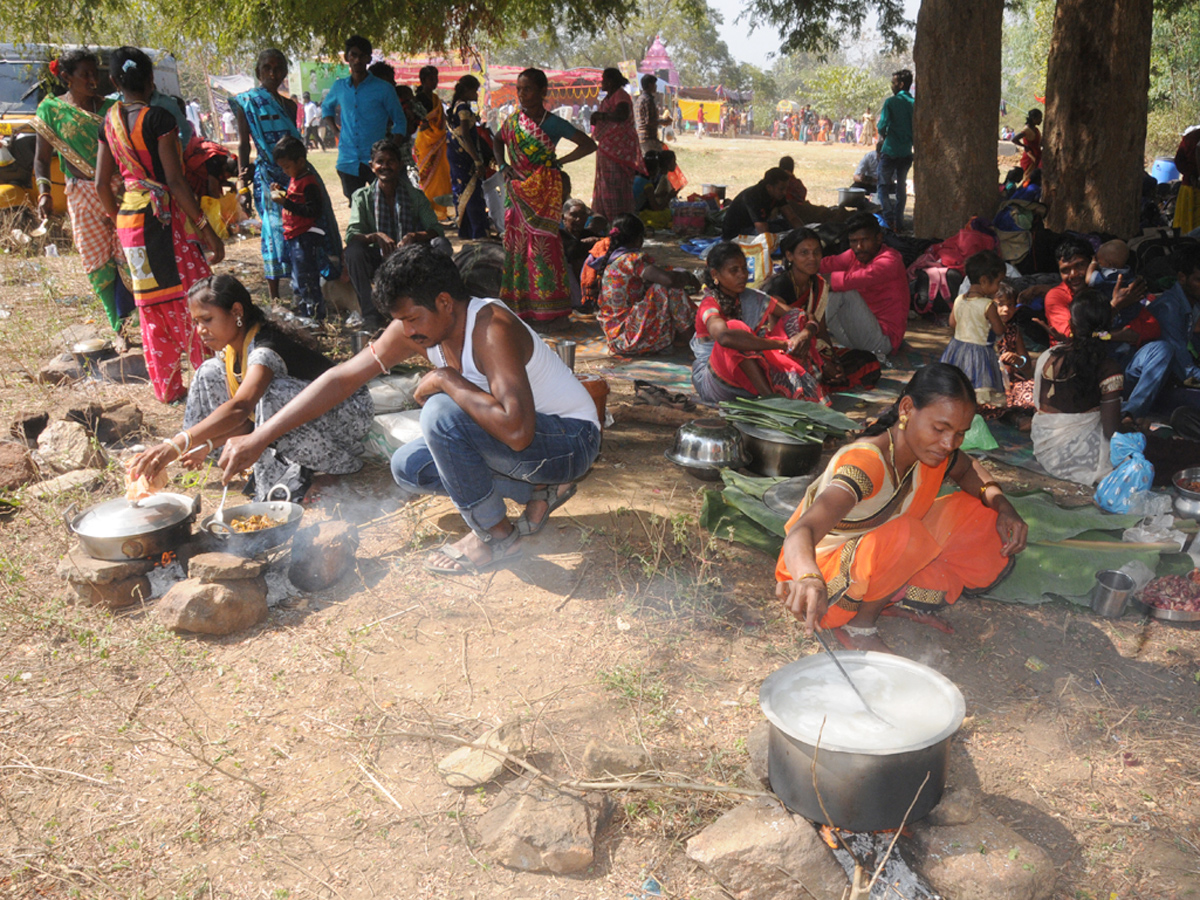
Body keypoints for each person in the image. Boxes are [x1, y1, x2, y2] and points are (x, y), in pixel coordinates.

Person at [218, 244, 602, 575]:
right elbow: (341, 380)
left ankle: (496, 536)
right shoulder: (420, 326)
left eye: (411, 318)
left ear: (445, 302)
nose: (406, 330)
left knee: (440, 412)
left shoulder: (490, 328)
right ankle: (539, 487)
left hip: (571, 439)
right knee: (409, 467)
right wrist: (260, 436)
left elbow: (518, 431)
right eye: (398, 320)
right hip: (529, 448)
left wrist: (447, 380)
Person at [775, 363, 1027, 650]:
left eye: (960, 433)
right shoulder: (866, 465)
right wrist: (809, 579)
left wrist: (1003, 504)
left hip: (871, 557)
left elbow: (969, 469)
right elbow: (801, 530)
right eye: (940, 428)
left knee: (983, 517)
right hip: (818, 587)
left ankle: (879, 599)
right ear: (907, 408)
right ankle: (859, 627)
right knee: (907, 533)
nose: (949, 443)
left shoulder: (931, 453)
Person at [129, 275, 372, 500]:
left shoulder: (264, 350)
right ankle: (238, 455)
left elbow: (242, 408)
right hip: (311, 419)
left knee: (271, 393)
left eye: (207, 319)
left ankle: (336, 465)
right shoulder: (234, 350)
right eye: (196, 322)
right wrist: (206, 444)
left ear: (236, 311)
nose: (200, 330)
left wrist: (175, 444)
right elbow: (252, 419)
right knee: (209, 371)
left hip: (349, 415)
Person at [95, 46, 223, 404]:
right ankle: (208, 379)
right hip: (165, 219)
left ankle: (168, 388)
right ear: (151, 79)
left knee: (150, 302)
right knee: (191, 294)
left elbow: (102, 184)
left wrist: (116, 217)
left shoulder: (110, 122)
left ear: (113, 81)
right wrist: (207, 231)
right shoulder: (160, 120)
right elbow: (176, 182)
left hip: (130, 221)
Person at [31, 48, 132, 337]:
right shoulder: (51, 111)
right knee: (97, 260)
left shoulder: (111, 109)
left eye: (95, 73)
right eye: (85, 74)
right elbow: (41, 159)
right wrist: (44, 193)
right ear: (66, 77)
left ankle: (131, 319)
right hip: (80, 194)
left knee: (126, 254)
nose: (92, 80)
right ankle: (119, 327)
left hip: (117, 190)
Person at [494, 68, 596, 324]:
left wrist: (559, 161)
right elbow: (497, 140)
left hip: (544, 194)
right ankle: (520, 305)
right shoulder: (513, 121)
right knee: (518, 249)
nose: (521, 94)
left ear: (542, 92)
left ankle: (548, 307)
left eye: (526, 89)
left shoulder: (552, 123)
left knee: (544, 248)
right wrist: (503, 166)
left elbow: (588, 144)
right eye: (518, 89)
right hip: (517, 194)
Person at [691, 242, 828, 405]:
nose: (742, 275)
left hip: (750, 378)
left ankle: (791, 388)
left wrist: (806, 332)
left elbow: (803, 315)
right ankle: (772, 400)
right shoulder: (709, 304)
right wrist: (783, 344)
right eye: (734, 270)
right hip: (716, 381)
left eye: (744, 269)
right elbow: (725, 338)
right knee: (735, 329)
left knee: (796, 318)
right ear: (715, 274)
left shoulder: (752, 297)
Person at [345, 140, 451, 332]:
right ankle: (371, 316)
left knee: (441, 245)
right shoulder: (362, 197)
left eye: (391, 161)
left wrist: (414, 236)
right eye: (380, 162)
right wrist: (375, 237)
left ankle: (433, 307)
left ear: (400, 164)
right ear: (372, 166)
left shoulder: (415, 196)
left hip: (409, 259)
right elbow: (352, 234)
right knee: (353, 252)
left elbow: (436, 229)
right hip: (378, 258)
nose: (385, 166)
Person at [1031, 291, 1124, 485]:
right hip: (1079, 461)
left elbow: (1038, 406)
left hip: (1044, 451)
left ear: (1072, 324)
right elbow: (1111, 433)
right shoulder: (1107, 367)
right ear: (1108, 325)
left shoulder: (1048, 356)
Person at [231, 49, 302, 301]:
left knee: (298, 230)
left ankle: (300, 291)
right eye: (267, 69)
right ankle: (275, 299)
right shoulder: (247, 103)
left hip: (293, 176)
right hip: (266, 178)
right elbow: (242, 145)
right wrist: (242, 184)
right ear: (258, 72)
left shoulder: (291, 106)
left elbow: (295, 144)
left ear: (285, 71)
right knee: (273, 233)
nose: (273, 73)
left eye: (278, 68)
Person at [596, 213, 699, 355]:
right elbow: (668, 280)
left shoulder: (613, 260)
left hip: (616, 339)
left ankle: (685, 334)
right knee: (667, 288)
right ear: (639, 240)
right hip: (627, 337)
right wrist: (689, 277)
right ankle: (693, 338)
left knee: (658, 287)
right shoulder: (631, 260)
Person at [321, 36, 407, 201]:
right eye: (353, 55)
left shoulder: (384, 89)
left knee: (382, 203)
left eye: (362, 55)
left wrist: (391, 151)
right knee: (356, 206)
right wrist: (335, 131)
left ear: (369, 58)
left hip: (378, 161)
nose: (357, 59)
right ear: (347, 58)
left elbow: (400, 121)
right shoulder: (339, 87)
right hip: (348, 160)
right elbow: (326, 107)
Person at [1123, 245, 1200, 420]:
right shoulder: (1169, 309)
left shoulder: (1191, 303)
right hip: (1138, 382)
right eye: (1198, 280)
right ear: (1182, 278)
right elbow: (1186, 372)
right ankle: (1129, 415)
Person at [819, 212, 909, 361]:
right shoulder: (856, 254)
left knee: (842, 292)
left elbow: (847, 281)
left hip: (882, 343)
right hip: (856, 338)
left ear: (879, 238)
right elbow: (827, 264)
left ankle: (811, 332)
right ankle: (810, 332)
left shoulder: (890, 261)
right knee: (828, 288)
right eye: (853, 241)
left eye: (865, 240)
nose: (859, 247)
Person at [761, 228, 843, 385]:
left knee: (863, 360)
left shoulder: (818, 285)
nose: (812, 258)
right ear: (790, 256)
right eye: (804, 253)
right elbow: (779, 336)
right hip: (781, 349)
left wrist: (833, 359)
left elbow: (822, 330)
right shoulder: (780, 286)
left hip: (808, 345)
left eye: (816, 252)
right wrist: (822, 363)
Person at [272, 136, 340, 321]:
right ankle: (304, 313)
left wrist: (285, 202)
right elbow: (297, 200)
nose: (285, 171)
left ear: (300, 161)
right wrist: (283, 192)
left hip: (305, 237)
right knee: (298, 277)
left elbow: (312, 211)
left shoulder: (308, 182)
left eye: (287, 167)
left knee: (307, 278)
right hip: (294, 236)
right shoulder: (296, 178)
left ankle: (316, 317)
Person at [939, 250, 1007, 405]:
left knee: (959, 384)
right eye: (998, 282)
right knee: (979, 386)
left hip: (957, 348)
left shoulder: (959, 300)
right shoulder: (988, 305)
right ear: (984, 281)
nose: (998, 287)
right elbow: (999, 330)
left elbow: (952, 324)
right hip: (979, 352)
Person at [590, 67, 643, 220]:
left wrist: (601, 115)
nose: (602, 82)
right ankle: (605, 218)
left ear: (612, 81)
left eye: (604, 79)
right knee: (606, 183)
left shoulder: (621, 96)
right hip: (608, 147)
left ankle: (618, 219)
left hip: (618, 150)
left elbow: (622, 114)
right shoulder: (610, 97)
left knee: (615, 184)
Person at [445, 75, 490, 240]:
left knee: (463, 191)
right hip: (465, 156)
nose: (477, 94)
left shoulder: (456, 106)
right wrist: (477, 160)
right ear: (467, 90)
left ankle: (467, 230)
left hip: (456, 155)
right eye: (475, 91)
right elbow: (465, 135)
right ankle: (478, 231)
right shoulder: (463, 108)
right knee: (472, 192)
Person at [876, 69, 914, 232]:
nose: (892, 86)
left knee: (882, 186)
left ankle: (889, 218)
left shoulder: (891, 102)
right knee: (901, 188)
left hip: (890, 150)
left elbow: (882, 125)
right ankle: (899, 223)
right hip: (906, 152)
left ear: (901, 84)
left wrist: (884, 135)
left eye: (894, 83)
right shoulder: (915, 103)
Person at [413, 65, 453, 220]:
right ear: (423, 80)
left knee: (441, 176)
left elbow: (442, 120)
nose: (435, 81)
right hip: (426, 142)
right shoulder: (419, 99)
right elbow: (418, 120)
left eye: (436, 78)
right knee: (426, 176)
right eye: (431, 79)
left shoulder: (436, 98)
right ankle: (427, 211)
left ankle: (439, 209)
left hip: (440, 141)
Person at [993, 283, 1035, 414]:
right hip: (990, 385)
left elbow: (1026, 364)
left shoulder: (1014, 331)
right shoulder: (983, 330)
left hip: (1011, 382)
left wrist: (1017, 360)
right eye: (1000, 304)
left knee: (1036, 393)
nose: (1006, 309)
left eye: (1010, 305)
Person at [777, 155, 851, 225]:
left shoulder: (782, 181)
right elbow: (802, 193)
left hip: (796, 208)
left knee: (822, 211)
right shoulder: (787, 181)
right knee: (822, 212)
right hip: (795, 208)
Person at [721, 167, 790, 239]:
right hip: (735, 233)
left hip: (753, 226)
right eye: (781, 189)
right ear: (769, 187)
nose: (785, 192)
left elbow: (792, 217)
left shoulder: (777, 193)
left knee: (784, 225)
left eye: (786, 188)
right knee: (776, 232)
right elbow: (763, 232)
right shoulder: (754, 196)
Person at [635, 74, 671, 154]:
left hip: (641, 137)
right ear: (650, 85)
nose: (656, 86)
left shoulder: (639, 99)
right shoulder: (648, 100)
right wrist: (663, 121)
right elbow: (649, 121)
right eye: (654, 84)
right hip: (649, 138)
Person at [1013, 109, 1042, 175]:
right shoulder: (1027, 130)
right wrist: (1024, 146)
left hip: (1037, 154)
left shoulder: (1035, 129)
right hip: (1030, 157)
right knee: (1029, 176)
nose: (1041, 120)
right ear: (1033, 118)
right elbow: (1014, 139)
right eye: (1039, 118)